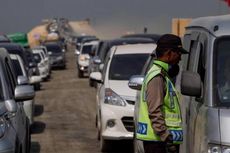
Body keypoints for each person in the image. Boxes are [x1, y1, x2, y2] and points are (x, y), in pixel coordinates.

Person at [136, 34, 188, 153]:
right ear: (169, 53)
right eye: (178, 53)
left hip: (160, 141)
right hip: (159, 142)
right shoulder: (157, 77)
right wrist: (166, 137)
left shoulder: (163, 75)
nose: (180, 58)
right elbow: (154, 111)